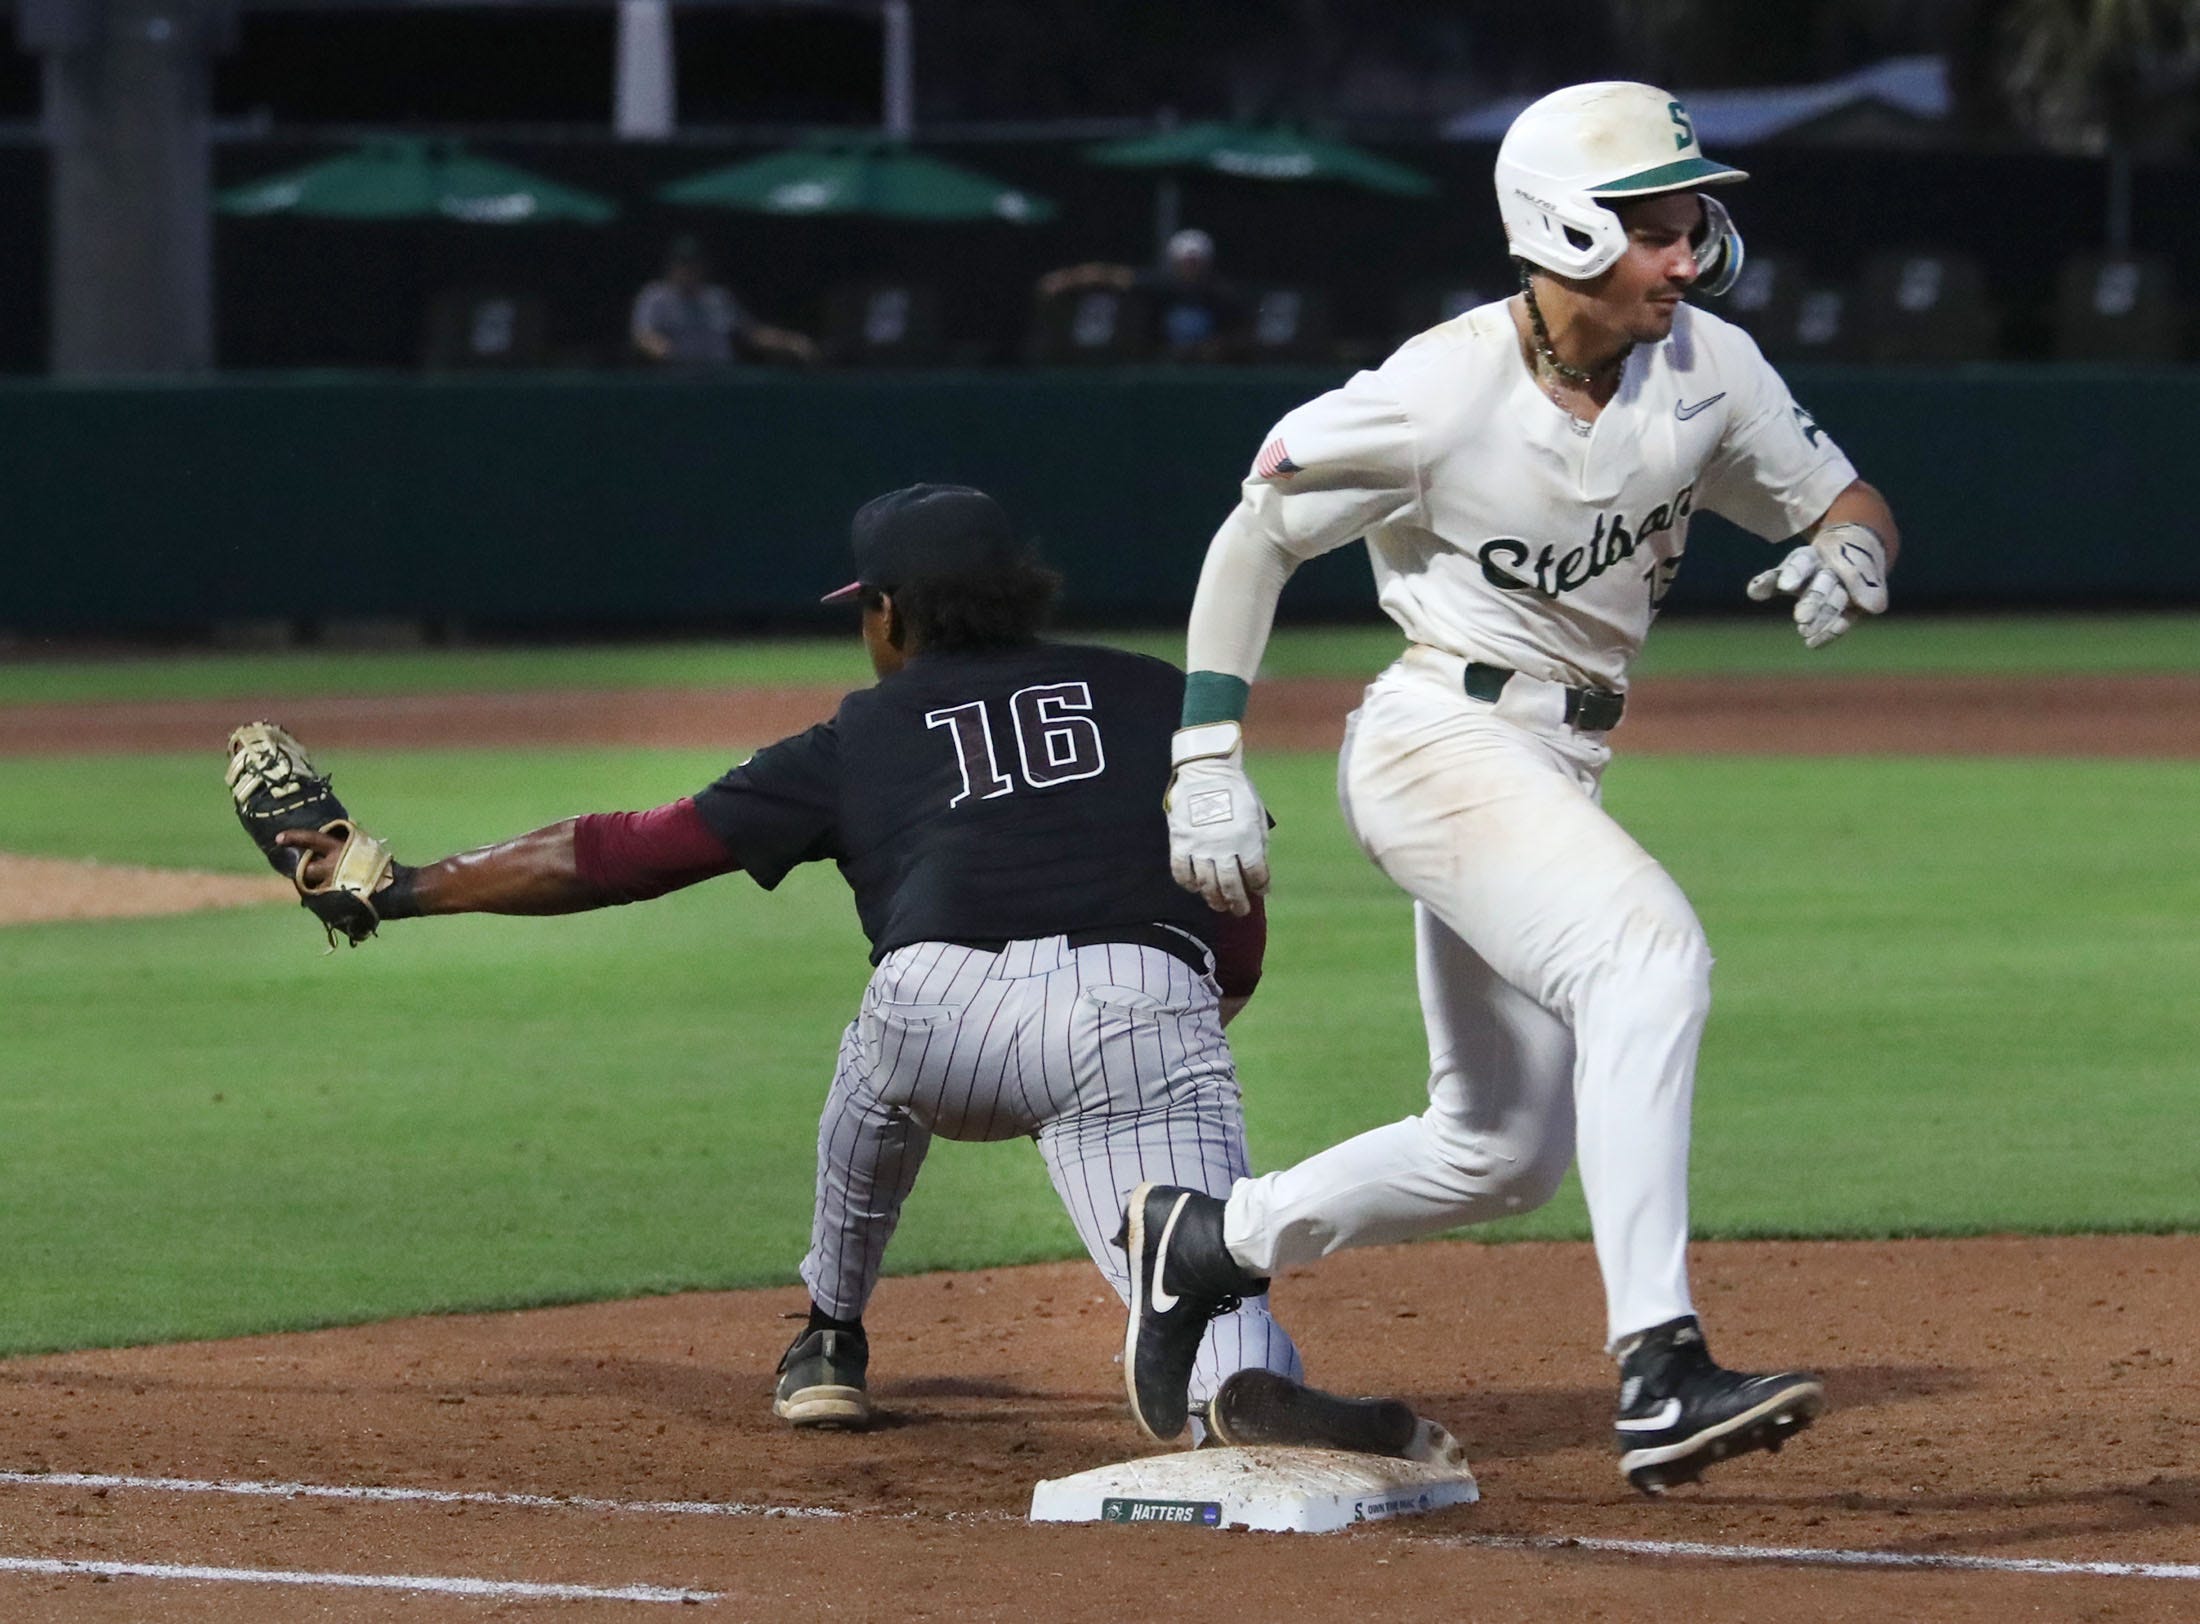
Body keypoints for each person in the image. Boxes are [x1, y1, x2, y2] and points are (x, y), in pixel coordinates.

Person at [259, 484, 1452, 1459]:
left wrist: (403, 883)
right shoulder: (1151, 693)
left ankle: (829, 1335)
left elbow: (623, 852)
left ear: (888, 612)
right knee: (1198, 1261)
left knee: (872, 1080)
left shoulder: (855, 738)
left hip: (938, 1012)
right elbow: (1230, 869)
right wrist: (1212, 994)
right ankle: (1237, 1380)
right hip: (1140, 1008)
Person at [1121, 81, 1903, 1493]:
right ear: (1563, 226)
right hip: (1438, 743)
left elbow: (1839, 494)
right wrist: (1205, 756)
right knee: (1647, 956)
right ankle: (1659, 1365)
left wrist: (1856, 552)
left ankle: (1210, 1241)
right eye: (1658, 227)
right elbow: (1258, 535)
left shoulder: (1708, 366)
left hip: (1556, 762)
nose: (1691, 250)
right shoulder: (1438, 390)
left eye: (1690, 222)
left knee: (1495, 1151)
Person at [1037, 228, 1248, 361]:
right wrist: (1067, 279)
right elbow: (1109, 275)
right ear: (1174, 262)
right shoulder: (1160, 286)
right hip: (1159, 366)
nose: (1190, 268)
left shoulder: (1222, 295)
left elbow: (1243, 334)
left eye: (1195, 262)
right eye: (1185, 262)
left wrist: (1215, 347)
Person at [630, 234, 818, 367]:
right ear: (671, 266)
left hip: (720, 381)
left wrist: (790, 342)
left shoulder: (718, 298)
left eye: (694, 263)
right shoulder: (655, 297)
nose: (688, 270)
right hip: (676, 384)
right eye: (682, 263)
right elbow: (643, 337)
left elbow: (752, 333)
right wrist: (664, 351)